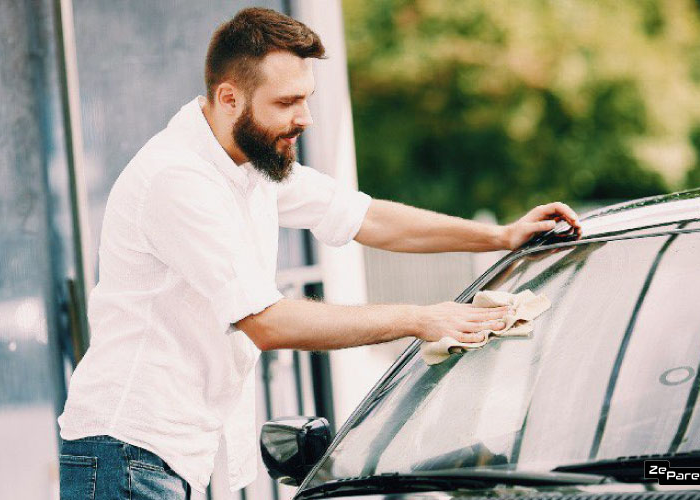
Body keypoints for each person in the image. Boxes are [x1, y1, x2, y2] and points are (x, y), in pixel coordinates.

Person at [57, 7, 581, 500]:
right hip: (126, 451)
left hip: (157, 454)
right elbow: (267, 322)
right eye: (286, 103)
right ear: (229, 97)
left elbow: (367, 217)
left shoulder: (249, 161)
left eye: (306, 98)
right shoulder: (179, 179)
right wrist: (422, 318)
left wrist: (502, 236)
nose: (303, 117)